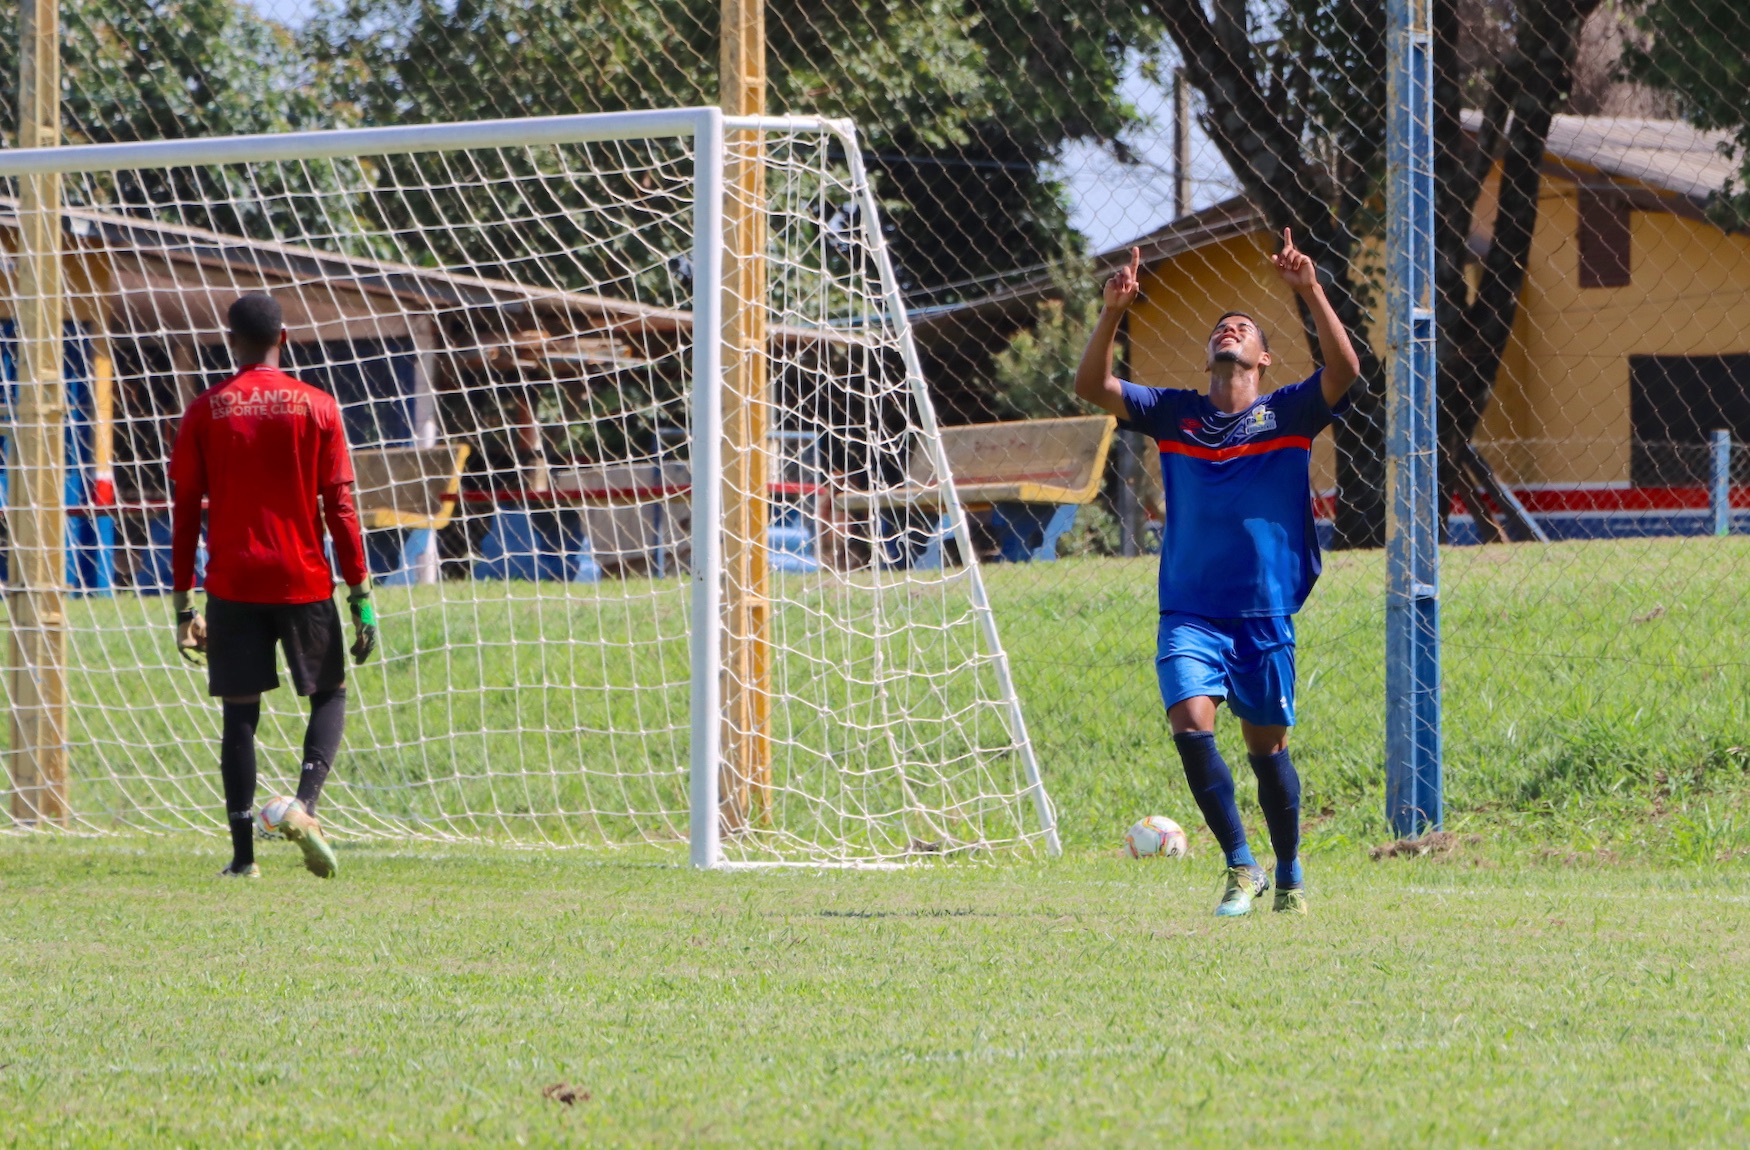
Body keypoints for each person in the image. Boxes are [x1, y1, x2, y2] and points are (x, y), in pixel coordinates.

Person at [1074, 230, 1360, 916]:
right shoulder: (1176, 413)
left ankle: (1288, 869)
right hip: (1190, 610)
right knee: (1190, 720)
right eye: (1219, 328)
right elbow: (1092, 385)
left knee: (1268, 752)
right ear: (1210, 354)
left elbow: (1347, 370)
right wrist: (1114, 309)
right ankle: (1240, 864)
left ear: (1263, 358)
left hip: (1263, 613)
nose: (1228, 329)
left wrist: (1310, 289)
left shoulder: (1288, 410)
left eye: (1244, 328)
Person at [170, 292, 379, 880]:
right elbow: (340, 507)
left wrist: (183, 601)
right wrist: (359, 594)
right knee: (330, 693)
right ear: (283, 340)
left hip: (232, 582)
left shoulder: (205, 411)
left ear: (229, 340)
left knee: (240, 714)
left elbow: (185, 511)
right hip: (304, 577)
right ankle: (304, 806)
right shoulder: (318, 407)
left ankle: (243, 859)